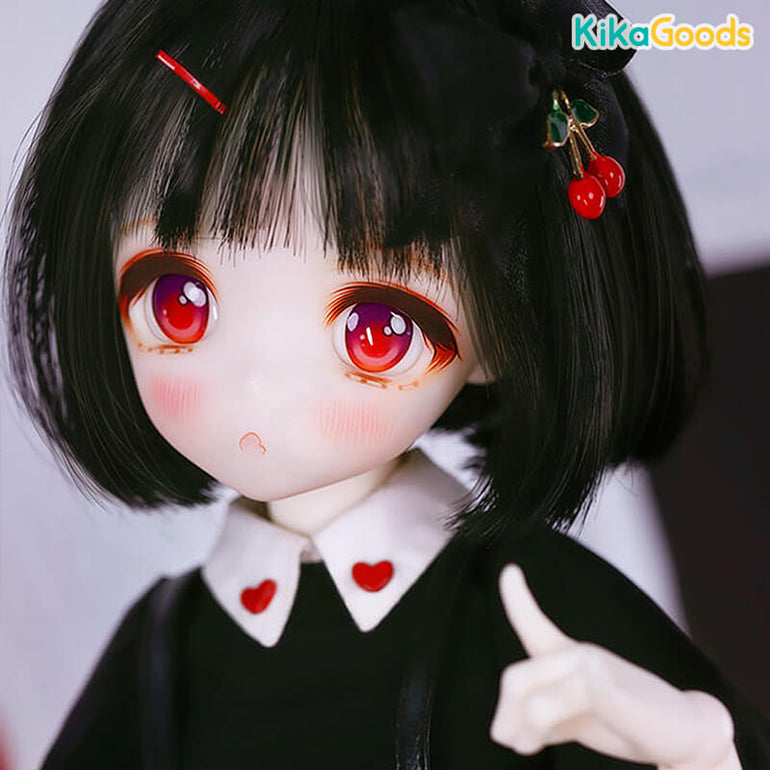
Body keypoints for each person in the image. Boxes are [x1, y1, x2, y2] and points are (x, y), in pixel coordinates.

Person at [3, 0, 769, 768]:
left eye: (376, 328)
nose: (256, 384)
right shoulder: (164, 652)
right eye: (179, 302)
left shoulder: (528, 607)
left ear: (503, 331)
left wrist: (696, 746)